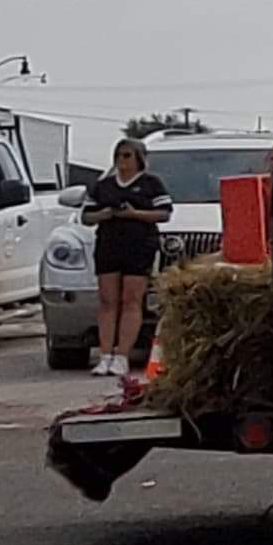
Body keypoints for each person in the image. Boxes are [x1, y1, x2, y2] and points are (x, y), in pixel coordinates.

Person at [80, 138, 170, 378]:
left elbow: (163, 213)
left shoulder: (151, 184)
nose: (122, 160)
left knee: (131, 300)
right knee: (108, 301)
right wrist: (105, 214)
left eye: (128, 155)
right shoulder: (104, 186)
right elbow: (86, 216)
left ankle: (122, 355)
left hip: (139, 245)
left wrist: (134, 214)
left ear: (139, 158)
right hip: (109, 244)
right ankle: (105, 355)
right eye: (119, 155)